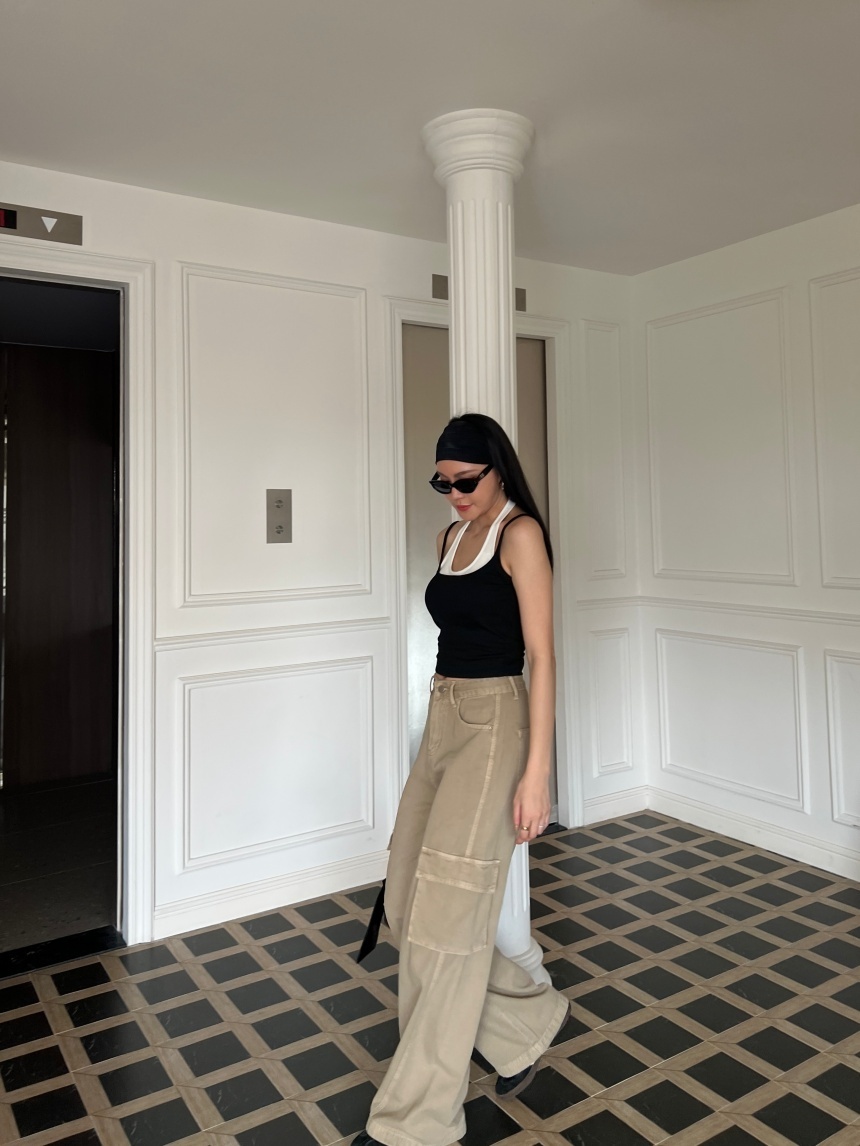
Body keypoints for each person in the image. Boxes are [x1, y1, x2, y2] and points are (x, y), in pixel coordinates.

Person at [354, 413, 569, 1146]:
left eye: (465, 480)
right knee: (407, 899)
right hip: (444, 715)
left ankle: (416, 1122)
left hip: (497, 722)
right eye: (442, 482)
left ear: (497, 469)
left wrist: (537, 773)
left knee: (447, 926)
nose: (454, 494)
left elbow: (542, 656)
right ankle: (523, 1024)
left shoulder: (519, 535)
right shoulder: (450, 537)